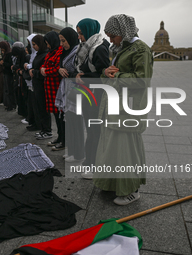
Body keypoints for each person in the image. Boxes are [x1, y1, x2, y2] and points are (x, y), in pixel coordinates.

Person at [93, 14, 153, 205]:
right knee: (112, 149)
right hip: (113, 106)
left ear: (123, 32)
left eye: (112, 36)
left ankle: (131, 190)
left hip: (128, 109)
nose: (110, 40)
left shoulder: (141, 50)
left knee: (126, 151)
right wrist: (106, 72)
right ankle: (113, 184)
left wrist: (117, 75)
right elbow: (111, 74)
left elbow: (142, 80)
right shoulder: (119, 48)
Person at [74, 18, 110, 173]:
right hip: (89, 94)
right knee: (92, 130)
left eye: (81, 33)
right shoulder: (87, 46)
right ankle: (91, 162)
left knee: (95, 131)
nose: (79, 37)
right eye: (78, 33)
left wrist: (83, 78)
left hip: (97, 97)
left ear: (89, 31)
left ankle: (93, 165)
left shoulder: (99, 48)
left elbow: (104, 75)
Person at [54, 27, 85, 157]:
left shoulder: (78, 52)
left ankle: (78, 153)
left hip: (75, 90)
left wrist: (67, 72)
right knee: (69, 123)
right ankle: (72, 150)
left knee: (76, 124)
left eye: (64, 41)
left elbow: (81, 72)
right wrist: (60, 70)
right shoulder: (65, 52)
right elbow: (61, 67)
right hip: (67, 88)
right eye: (60, 41)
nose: (62, 44)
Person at [38, 31, 63, 140]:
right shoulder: (50, 52)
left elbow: (57, 69)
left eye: (48, 43)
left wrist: (46, 71)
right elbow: (43, 66)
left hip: (56, 87)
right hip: (50, 88)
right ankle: (59, 137)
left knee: (59, 115)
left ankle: (62, 138)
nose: (47, 46)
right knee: (55, 114)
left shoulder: (59, 52)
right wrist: (43, 69)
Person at [30, 35, 51, 138]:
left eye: (34, 44)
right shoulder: (39, 54)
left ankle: (47, 130)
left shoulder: (45, 55)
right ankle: (43, 129)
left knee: (43, 108)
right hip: (37, 85)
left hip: (42, 85)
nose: (33, 47)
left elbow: (44, 72)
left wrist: (34, 71)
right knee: (40, 108)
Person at [0, 41, 14, 110]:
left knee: (9, 90)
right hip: (5, 73)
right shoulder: (5, 54)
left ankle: (11, 105)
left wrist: (3, 63)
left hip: (9, 74)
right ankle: (7, 104)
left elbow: (10, 65)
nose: (1, 49)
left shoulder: (9, 54)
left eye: (2, 48)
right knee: (6, 89)